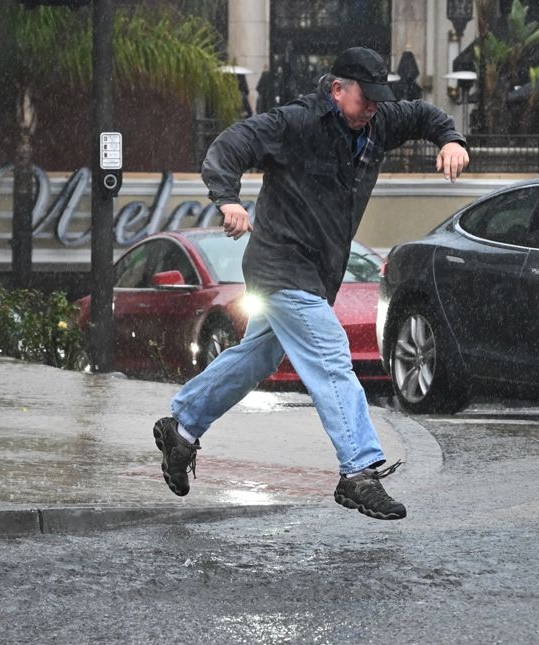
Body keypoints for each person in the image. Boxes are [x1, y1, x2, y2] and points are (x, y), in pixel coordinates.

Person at [153, 46, 470, 521]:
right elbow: (228, 147)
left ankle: (182, 427)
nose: (374, 110)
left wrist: (450, 139)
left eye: (380, 100)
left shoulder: (377, 122)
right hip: (281, 266)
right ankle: (358, 470)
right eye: (366, 99)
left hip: (317, 274)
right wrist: (229, 200)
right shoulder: (296, 122)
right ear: (338, 90)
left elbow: (425, 113)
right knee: (329, 353)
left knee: (258, 357)